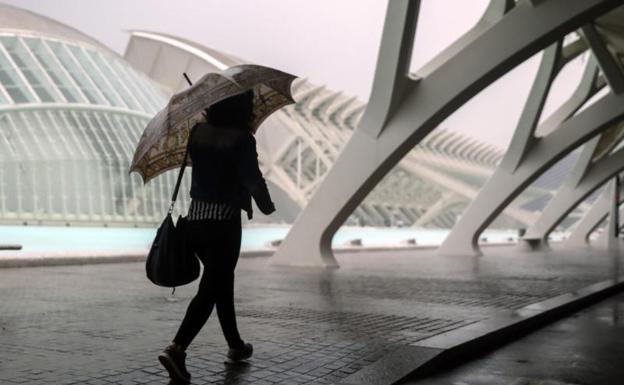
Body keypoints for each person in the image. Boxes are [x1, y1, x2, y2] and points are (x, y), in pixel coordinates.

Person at [158, 90, 276, 384]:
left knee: (221, 281)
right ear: (242, 108)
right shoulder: (241, 138)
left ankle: (235, 345)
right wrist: (266, 204)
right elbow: (252, 179)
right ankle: (177, 348)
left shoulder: (197, 133)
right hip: (223, 223)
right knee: (211, 288)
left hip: (196, 220)